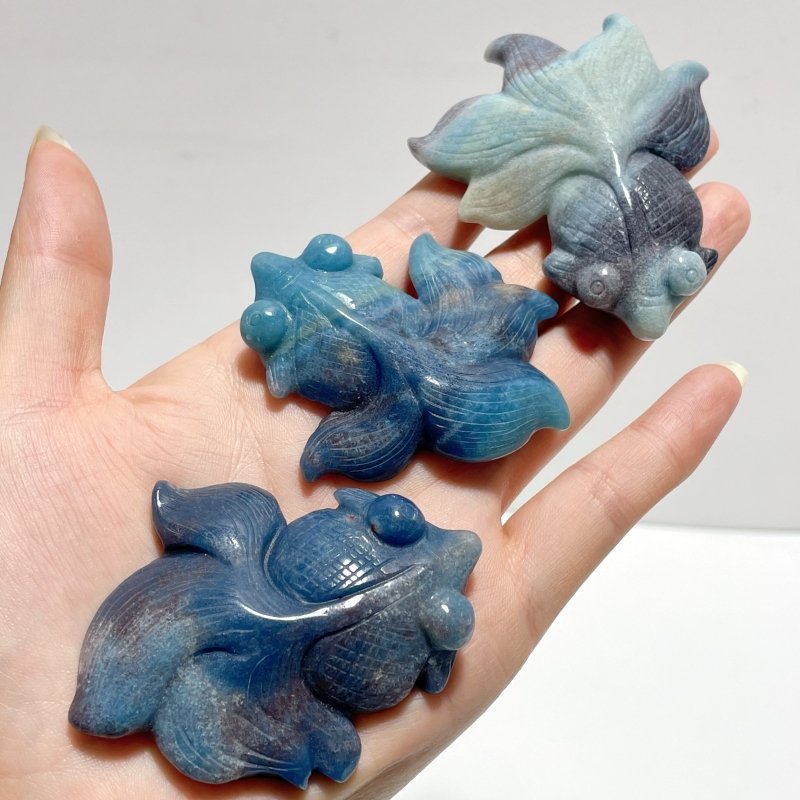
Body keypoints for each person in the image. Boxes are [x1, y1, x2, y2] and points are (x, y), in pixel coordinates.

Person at [0, 127, 749, 798]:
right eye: (397, 518)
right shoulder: (259, 542)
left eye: (391, 520)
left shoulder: (284, 503)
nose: (458, 546)